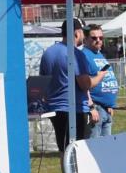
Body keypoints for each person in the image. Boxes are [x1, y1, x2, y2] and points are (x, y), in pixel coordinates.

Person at [40, 19, 104, 160]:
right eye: (83, 32)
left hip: (54, 108)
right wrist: (99, 76)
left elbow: (42, 82)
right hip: (73, 108)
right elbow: (85, 84)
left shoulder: (48, 53)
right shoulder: (76, 54)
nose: (84, 35)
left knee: (64, 150)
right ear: (76, 33)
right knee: (74, 151)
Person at [82, 24, 119, 137]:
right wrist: (91, 107)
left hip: (106, 109)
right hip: (96, 109)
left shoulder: (99, 54)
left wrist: (109, 104)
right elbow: (83, 85)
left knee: (106, 149)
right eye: (94, 38)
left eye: (101, 38)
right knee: (94, 147)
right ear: (86, 39)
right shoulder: (84, 55)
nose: (98, 40)